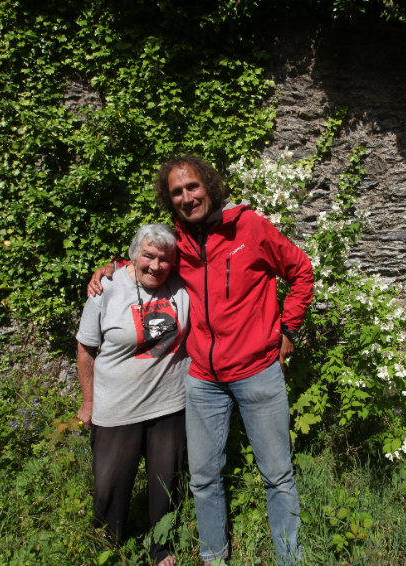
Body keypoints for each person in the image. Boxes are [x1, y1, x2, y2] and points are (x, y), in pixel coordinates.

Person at [88, 155, 314, 565]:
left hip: (258, 372)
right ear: (170, 201)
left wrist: (289, 329)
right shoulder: (180, 242)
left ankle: (290, 558)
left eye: (192, 186)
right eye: (177, 192)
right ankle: (214, 558)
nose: (187, 197)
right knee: (203, 479)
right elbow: (150, 264)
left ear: (208, 184)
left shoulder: (251, 227)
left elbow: (301, 271)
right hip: (204, 380)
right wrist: (114, 267)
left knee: (277, 476)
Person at [77, 224, 191, 566]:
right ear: (133, 254)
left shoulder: (182, 285)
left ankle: (161, 548)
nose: (155, 265)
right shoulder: (107, 287)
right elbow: (86, 347)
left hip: (170, 403)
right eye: (148, 256)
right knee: (110, 485)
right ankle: (107, 547)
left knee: (165, 483)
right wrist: (88, 402)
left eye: (164, 259)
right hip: (117, 406)